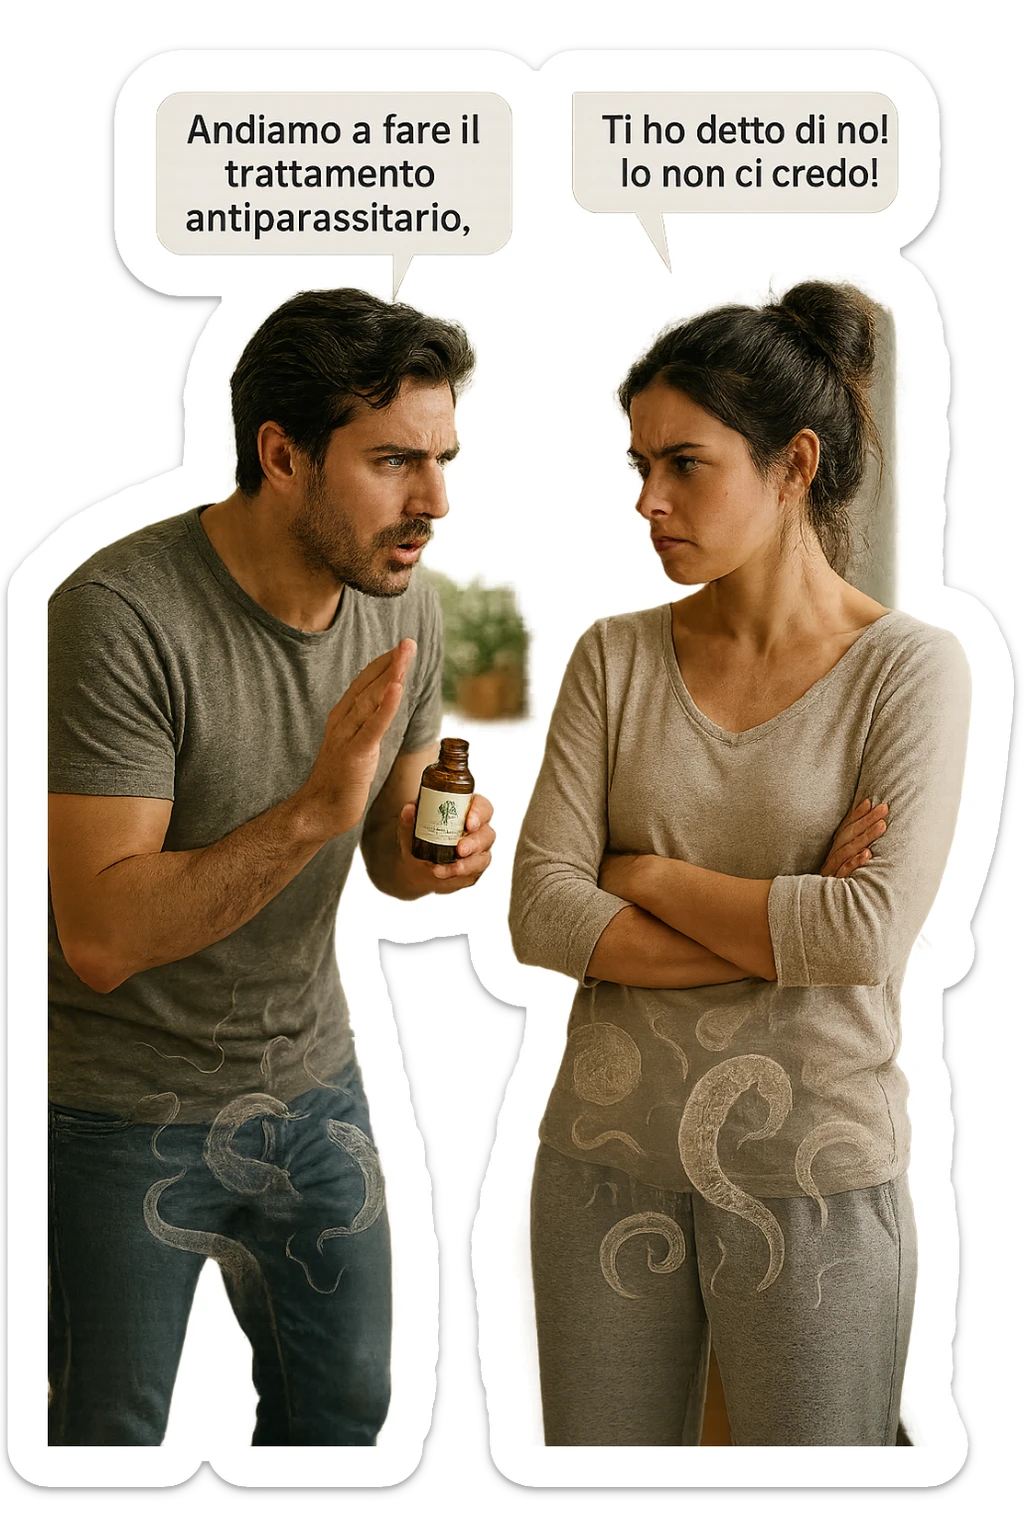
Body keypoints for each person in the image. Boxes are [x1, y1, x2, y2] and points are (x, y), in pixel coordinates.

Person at [509, 281, 971, 1447]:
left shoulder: (908, 673)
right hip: (601, 1165)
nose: (649, 501)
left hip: (814, 1175)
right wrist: (776, 920)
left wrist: (644, 874)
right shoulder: (611, 659)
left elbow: (861, 935)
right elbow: (541, 914)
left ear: (793, 464)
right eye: (638, 468)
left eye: (683, 464)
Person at [47, 287, 494, 1447]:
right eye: (396, 461)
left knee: (344, 1418)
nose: (434, 502)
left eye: (443, 459)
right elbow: (97, 937)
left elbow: (392, 861)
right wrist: (312, 813)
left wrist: (426, 851)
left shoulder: (405, 606)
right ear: (281, 454)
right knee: (112, 1434)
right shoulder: (118, 613)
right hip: (116, 1108)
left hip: (313, 1088)